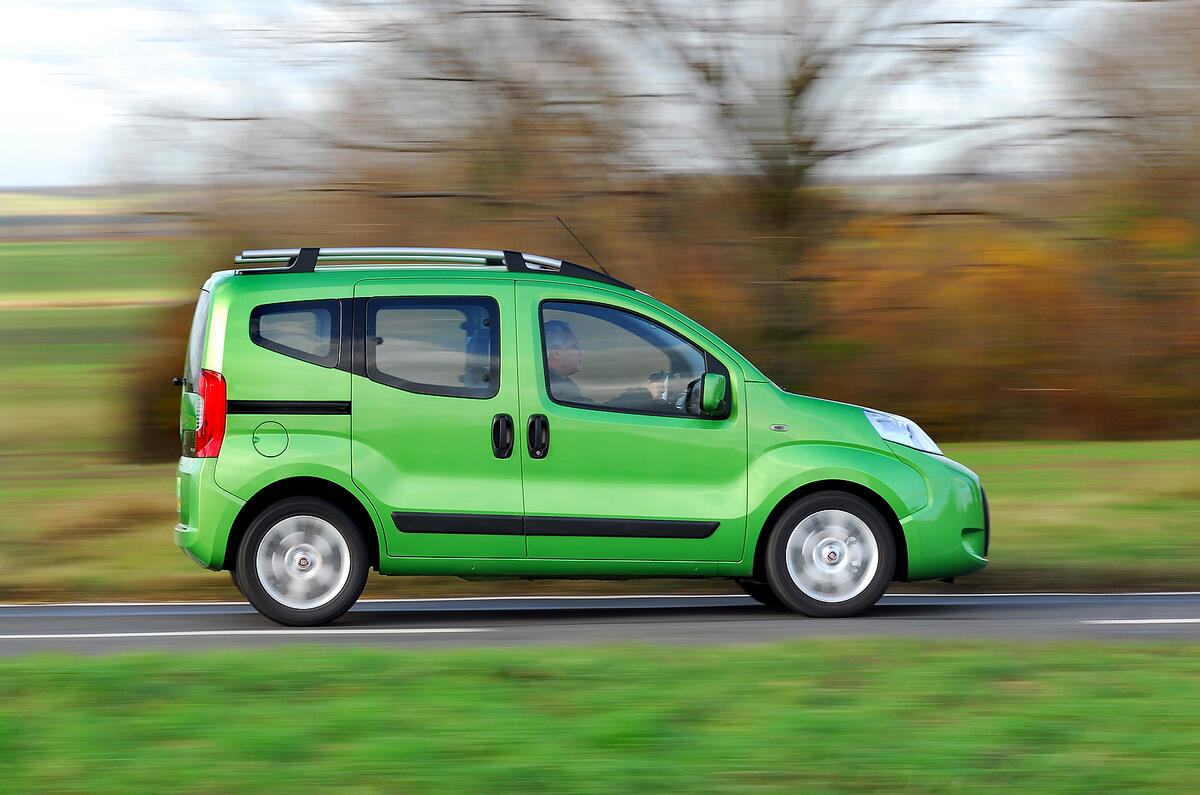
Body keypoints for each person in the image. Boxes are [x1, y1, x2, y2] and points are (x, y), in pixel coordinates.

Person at [543, 320, 593, 404]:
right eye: (574, 346)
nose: (581, 353)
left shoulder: (557, 383)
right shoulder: (554, 388)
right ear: (556, 352)